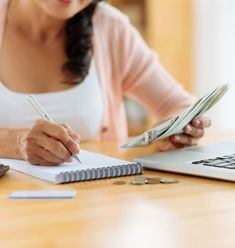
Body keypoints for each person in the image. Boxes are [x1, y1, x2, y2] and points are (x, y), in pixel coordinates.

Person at [0, 0, 211, 166]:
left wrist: (178, 129)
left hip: (95, 205)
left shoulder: (110, 28)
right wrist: (17, 142)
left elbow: (176, 104)